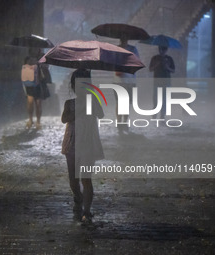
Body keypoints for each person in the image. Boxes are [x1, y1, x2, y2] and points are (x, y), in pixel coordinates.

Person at [61, 68, 104, 224]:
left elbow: (101, 114)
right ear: (73, 87)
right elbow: (64, 118)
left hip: (88, 144)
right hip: (72, 144)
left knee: (86, 178)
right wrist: (78, 112)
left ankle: (86, 210)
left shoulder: (93, 100)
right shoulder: (69, 103)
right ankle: (77, 197)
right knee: (73, 180)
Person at [114, 35, 140, 134]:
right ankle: (119, 123)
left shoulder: (133, 49)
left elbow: (137, 62)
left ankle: (124, 122)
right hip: (118, 80)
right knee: (119, 102)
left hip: (130, 80)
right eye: (122, 38)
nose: (123, 40)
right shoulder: (115, 49)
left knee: (127, 103)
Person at [149, 46, 175, 119]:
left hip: (166, 81)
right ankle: (154, 115)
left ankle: (162, 116)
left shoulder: (169, 59)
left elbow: (173, 70)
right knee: (156, 98)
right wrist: (156, 65)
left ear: (166, 50)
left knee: (164, 99)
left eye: (163, 49)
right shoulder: (155, 58)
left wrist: (167, 67)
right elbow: (150, 69)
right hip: (157, 81)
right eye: (160, 49)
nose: (161, 51)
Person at [21, 56, 42, 130]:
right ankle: (31, 119)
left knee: (38, 104)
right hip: (29, 87)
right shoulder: (25, 67)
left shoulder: (38, 66)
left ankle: (38, 121)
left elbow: (42, 76)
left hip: (36, 86)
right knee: (30, 103)